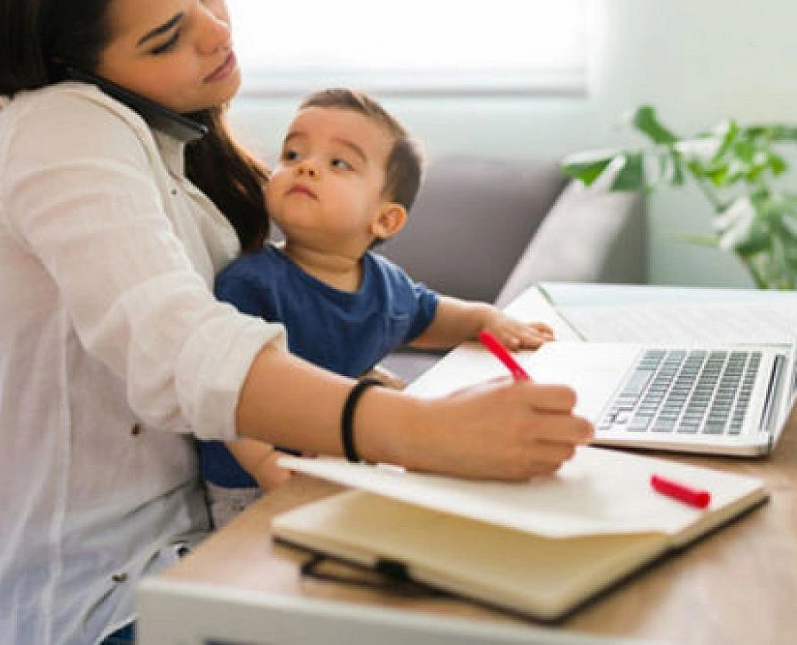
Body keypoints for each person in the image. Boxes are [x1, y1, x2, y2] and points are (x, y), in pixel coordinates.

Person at [0, 0, 593, 645]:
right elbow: (177, 344)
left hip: (228, 537)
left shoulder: (171, 144)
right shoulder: (61, 130)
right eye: (166, 38)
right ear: (80, 67)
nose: (215, 32)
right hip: (112, 598)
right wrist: (415, 429)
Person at [199, 88, 556, 527]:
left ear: (385, 220)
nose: (306, 166)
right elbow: (228, 388)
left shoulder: (385, 285)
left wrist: (486, 319)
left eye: (339, 163)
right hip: (251, 480)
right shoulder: (251, 283)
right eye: (292, 154)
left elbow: (431, 316)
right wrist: (263, 462)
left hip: (346, 457)